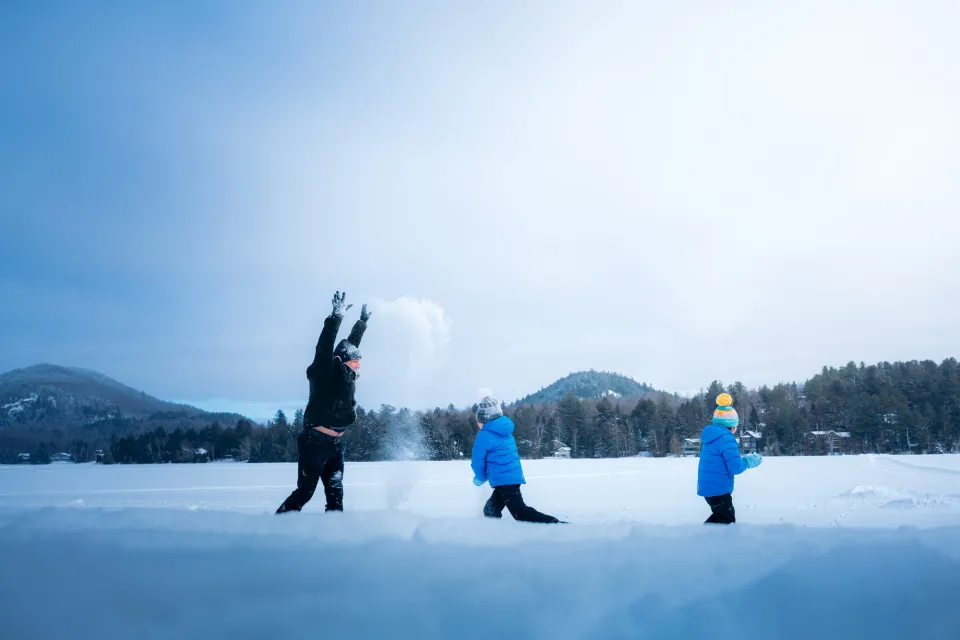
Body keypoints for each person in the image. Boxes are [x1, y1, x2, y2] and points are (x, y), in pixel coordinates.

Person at [276, 291, 371, 514]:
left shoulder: (347, 376)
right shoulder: (325, 373)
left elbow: (349, 345)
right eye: (355, 362)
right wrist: (335, 317)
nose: (358, 366)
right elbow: (326, 347)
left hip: (335, 446)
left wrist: (361, 323)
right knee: (305, 493)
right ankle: (274, 527)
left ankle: (333, 539)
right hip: (314, 444)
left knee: (336, 495)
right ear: (343, 362)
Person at [471, 396, 563, 524]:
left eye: (479, 420)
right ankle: (493, 533)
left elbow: (477, 460)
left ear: (484, 419)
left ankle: (554, 523)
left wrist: (480, 476)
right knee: (490, 510)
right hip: (511, 477)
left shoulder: (484, 435)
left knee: (519, 512)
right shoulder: (506, 432)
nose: (477, 424)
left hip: (505, 481)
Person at [697, 393, 762, 524]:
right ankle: (703, 540)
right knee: (727, 520)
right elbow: (735, 467)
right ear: (732, 427)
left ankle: (705, 538)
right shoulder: (726, 439)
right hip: (719, 490)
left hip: (707, 488)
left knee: (721, 518)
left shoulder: (711, 437)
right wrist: (751, 460)